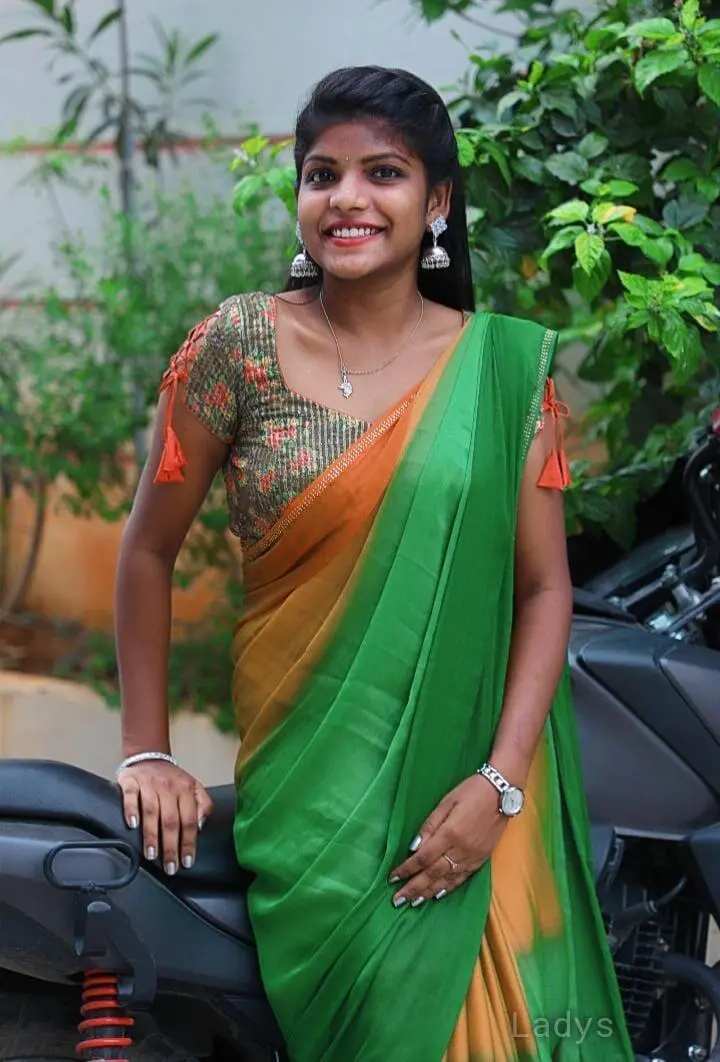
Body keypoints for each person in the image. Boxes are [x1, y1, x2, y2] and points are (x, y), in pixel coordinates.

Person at [115, 65, 633, 1062]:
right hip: (311, 809)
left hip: (464, 796)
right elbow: (147, 550)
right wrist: (146, 749)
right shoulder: (240, 345)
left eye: (383, 173)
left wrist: (499, 787)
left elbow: (543, 590)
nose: (347, 198)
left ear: (436, 202)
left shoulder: (502, 371)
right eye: (323, 175)